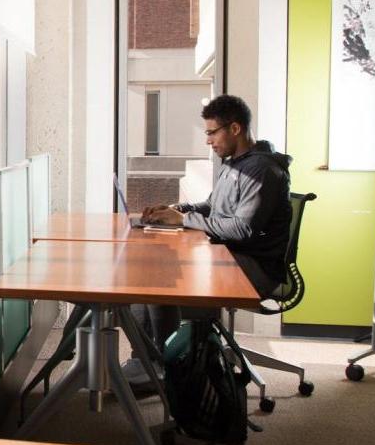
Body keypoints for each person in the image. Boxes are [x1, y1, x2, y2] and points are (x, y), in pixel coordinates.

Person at [125, 94, 293, 383]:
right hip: (230, 256)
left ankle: (168, 367)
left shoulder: (261, 171)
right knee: (148, 276)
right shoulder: (235, 164)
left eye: (212, 132)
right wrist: (178, 209)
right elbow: (213, 206)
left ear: (235, 129)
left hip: (254, 268)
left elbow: (242, 229)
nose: (208, 140)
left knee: (158, 283)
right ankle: (148, 360)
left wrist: (184, 220)